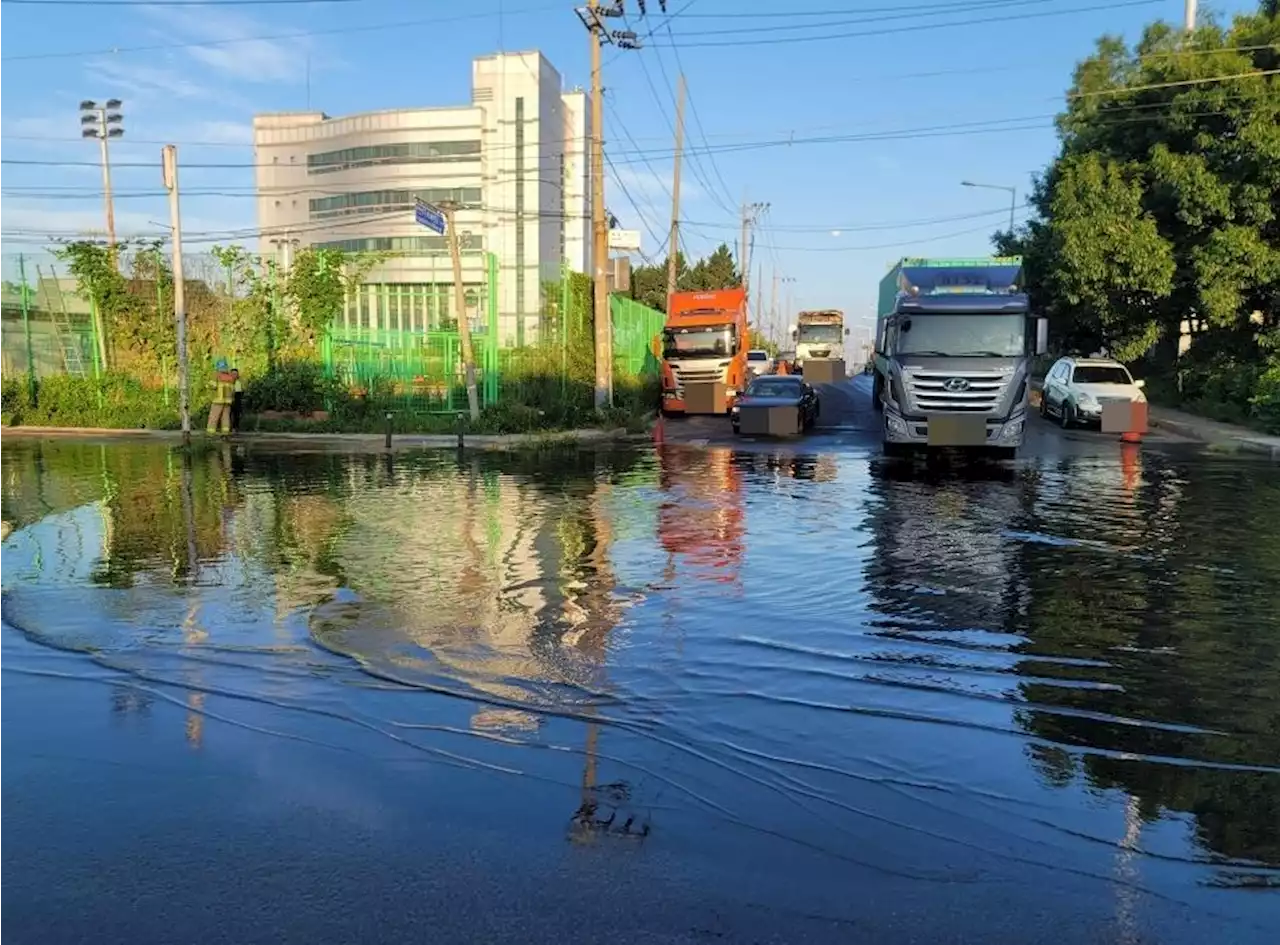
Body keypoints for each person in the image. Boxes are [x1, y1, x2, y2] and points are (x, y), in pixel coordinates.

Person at [206, 358, 235, 435]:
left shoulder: (216, 375)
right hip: (228, 401)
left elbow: (213, 386)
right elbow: (233, 390)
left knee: (214, 416)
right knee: (225, 417)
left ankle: (210, 432)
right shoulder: (230, 377)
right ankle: (225, 432)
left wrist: (207, 385)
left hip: (218, 400)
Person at [229, 369, 244, 433]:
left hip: (236, 399)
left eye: (236, 374)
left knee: (236, 414)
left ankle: (235, 427)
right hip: (228, 400)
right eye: (233, 374)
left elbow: (238, 395)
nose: (234, 375)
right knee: (227, 415)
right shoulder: (227, 382)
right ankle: (228, 427)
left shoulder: (238, 383)